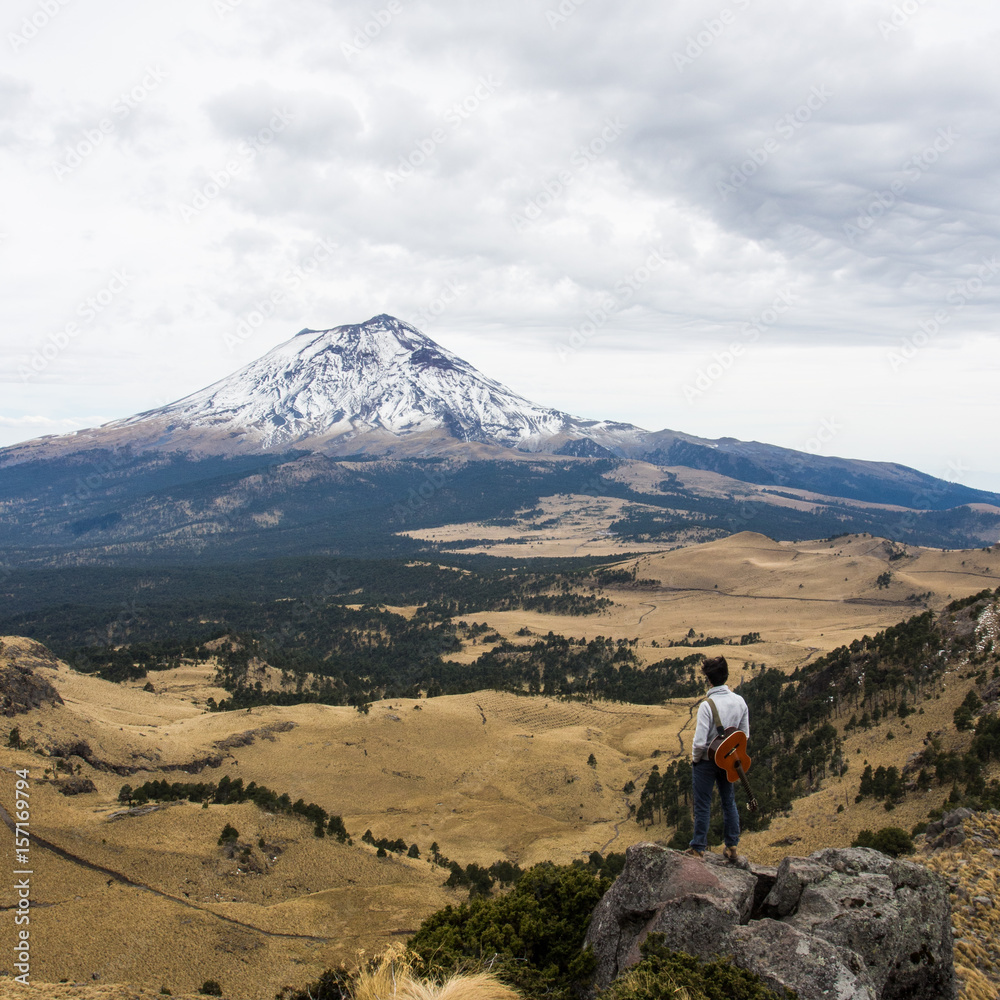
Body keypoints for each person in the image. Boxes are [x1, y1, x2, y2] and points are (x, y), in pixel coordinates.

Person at [686, 655, 749, 860]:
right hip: (728, 760)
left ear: (709, 680)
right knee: (728, 800)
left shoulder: (707, 705)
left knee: (703, 804)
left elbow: (699, 743)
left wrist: (696, 759)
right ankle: (732, 846)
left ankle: (698, 847)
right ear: (726, 676)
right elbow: (744, 735)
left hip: (706, 762)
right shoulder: (739, 701)